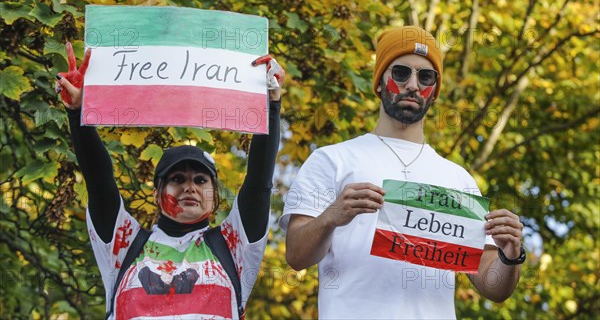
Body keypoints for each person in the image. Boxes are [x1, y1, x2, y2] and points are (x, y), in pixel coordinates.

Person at [280, 26, 524, 319]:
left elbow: (493, 287)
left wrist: (511, 254)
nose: (412, 84)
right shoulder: (332, 159)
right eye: (400, 72)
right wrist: (332, 216)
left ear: (434, 92)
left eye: (425, 77)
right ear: (380, 82)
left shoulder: (459, 180)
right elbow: (296, 255)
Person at [56, 42, 285, 319]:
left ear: (215, 195)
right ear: (157, 193)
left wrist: (270, 105)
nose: (190, 186)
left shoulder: (234, 246)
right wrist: (78, 111)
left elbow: (259, 182)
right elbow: (99, 182)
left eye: (201, 180)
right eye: (177, 179)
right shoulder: (124, 245)